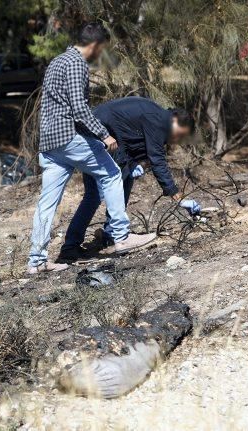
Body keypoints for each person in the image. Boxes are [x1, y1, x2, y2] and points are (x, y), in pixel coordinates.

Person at [28, 23, 156, 275]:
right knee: (111, 174)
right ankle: (121, 236)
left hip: (49, 142)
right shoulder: (76, 63)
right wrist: (103, 134)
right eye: (102, 49)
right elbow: (78, 107)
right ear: (95, 45)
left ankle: (36, 261)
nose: (100, 55)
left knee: (47, 202)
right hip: (67, 137)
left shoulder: (57, 61)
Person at [58, 97, 200, 261]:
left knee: (101, 191)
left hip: (94, 131)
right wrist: (177, 197)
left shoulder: (156, 114)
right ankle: (110, 237)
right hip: (100, 133)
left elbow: (130, 144)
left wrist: (133, 165)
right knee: (102, 190)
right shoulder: (160, 120)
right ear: (177, 122)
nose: (175, 140)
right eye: (179, 135)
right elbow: (157, 160)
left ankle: (82, 243)